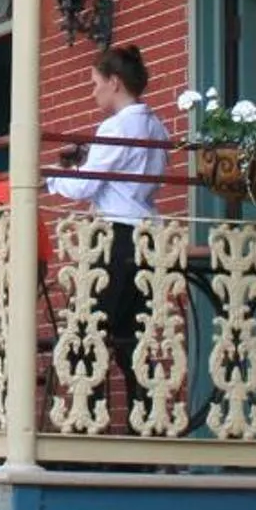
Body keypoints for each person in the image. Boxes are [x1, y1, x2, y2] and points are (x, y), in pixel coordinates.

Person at [45, 43, 168, 397]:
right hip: (148, 234)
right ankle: (146, 420)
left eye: (95, 82)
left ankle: (87, 420)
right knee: (134, 335)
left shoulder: (116, 127)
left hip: (116, 235)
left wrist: (51, 176)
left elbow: (86, 184)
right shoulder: (156, 126)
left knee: (88, 330)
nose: (92, 90)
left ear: (114, 82)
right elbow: (145, 177)